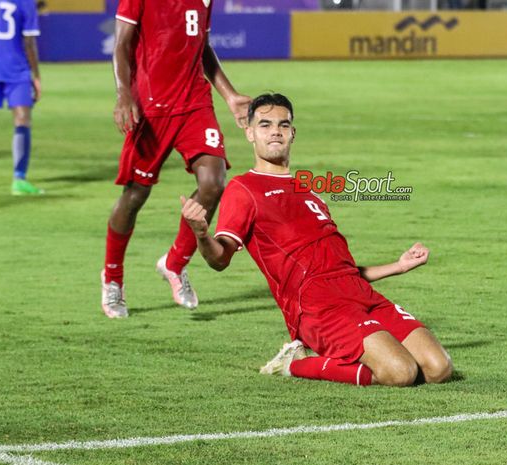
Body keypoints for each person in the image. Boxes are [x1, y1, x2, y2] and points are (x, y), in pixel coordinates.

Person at [180, 93, 453, 386]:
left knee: (439, 368)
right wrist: (201, 233)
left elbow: (340, 270)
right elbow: (220, 259)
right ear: (249, 133)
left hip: (361, 295)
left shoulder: (309, 191)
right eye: (265, 124)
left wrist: (397, 266)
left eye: (283, 125)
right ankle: (293, 364)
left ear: (292, 133)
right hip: (317, 308)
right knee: (402, 372)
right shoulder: (243, 189)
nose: (275, 131)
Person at [100, 0, 252, 318]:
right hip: (151, 108)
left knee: (213, 182)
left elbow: (203, 48)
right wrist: (123, 93)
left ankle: (175, 263)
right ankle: (112, 279)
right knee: (135, 194)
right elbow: (122, 44)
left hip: (194, 103)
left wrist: (230, 95)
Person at [0, 0, 43, 194]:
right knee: (22, 120)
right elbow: (29, 42)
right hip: (18, 71)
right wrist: (36, 76)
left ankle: (19, 179)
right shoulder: (26, 3)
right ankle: (19, 179)